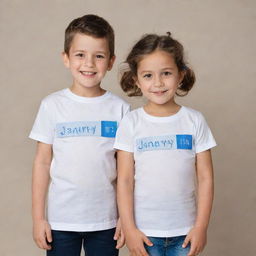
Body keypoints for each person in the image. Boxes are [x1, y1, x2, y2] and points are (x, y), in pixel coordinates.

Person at [29, 14, 130, 256]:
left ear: (111, 60)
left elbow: (127, 171)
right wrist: (38, 218)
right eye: (80, 55)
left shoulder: (120, 109)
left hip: (106, 222)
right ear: (66, 58)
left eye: (99, 56)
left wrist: (126, 218)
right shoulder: (52, 105)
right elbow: (42, 163)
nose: (89, 63)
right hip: (61, 221)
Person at [114, 33, 216, 256]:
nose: (158, 83)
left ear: (181, 75)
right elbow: (124, 180)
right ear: (136, 80)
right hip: (144, 233)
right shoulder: (131, 122)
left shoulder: (194, 120)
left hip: (185, 232)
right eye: (148, 75)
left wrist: (200, 227)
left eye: (166, 73)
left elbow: (206, 177)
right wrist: (129, 229)